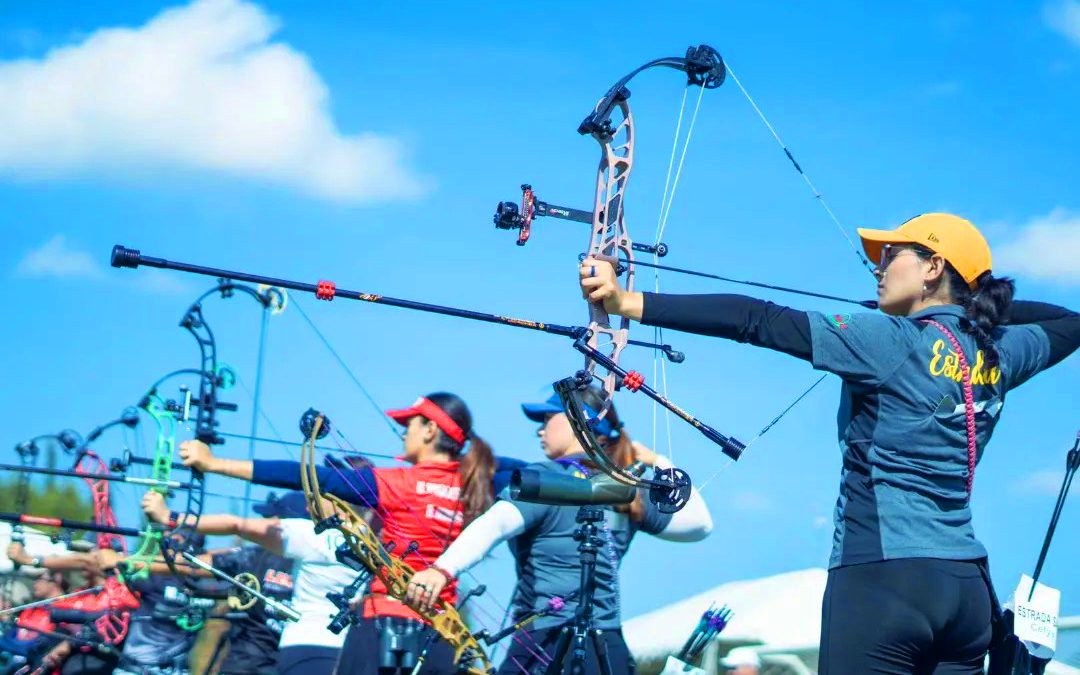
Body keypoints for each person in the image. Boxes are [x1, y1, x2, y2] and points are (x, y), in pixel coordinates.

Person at [578, 212, 1080, 674]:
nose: (877, 269)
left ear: (933, 267)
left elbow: (755, 320)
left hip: (884, 583)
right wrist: (971, 305)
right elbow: (1069, 323)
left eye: (891, 256)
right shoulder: (1000, 354)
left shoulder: (889, 340)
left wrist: (625, 303)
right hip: (966, 592)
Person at [176, 392, 527, 675]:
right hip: (441, 633)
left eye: (410, 424)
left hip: (381, 624)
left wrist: (215, 464)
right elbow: (527, 471)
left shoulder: (398, 483)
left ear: (431, 431)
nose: (403, 431)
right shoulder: (475, 486)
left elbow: (309, 477)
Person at [406, 386, 713, 675]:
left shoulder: (547, 479)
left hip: (544, 645)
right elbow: (700, 524)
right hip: (606, 648)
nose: (540, 428)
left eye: (547, 418)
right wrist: (659, 462)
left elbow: (493, 524)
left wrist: (441, 570)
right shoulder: (626, 491)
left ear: (576, 423)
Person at [141, 489, 358, 675]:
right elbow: (194, 563)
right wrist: (133, 563)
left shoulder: (272, 552)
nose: (264, 524)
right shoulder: (260, 555)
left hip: (279, 659)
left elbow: (195, 561)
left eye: (272, 518)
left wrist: (168, 516)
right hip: (265, 663)